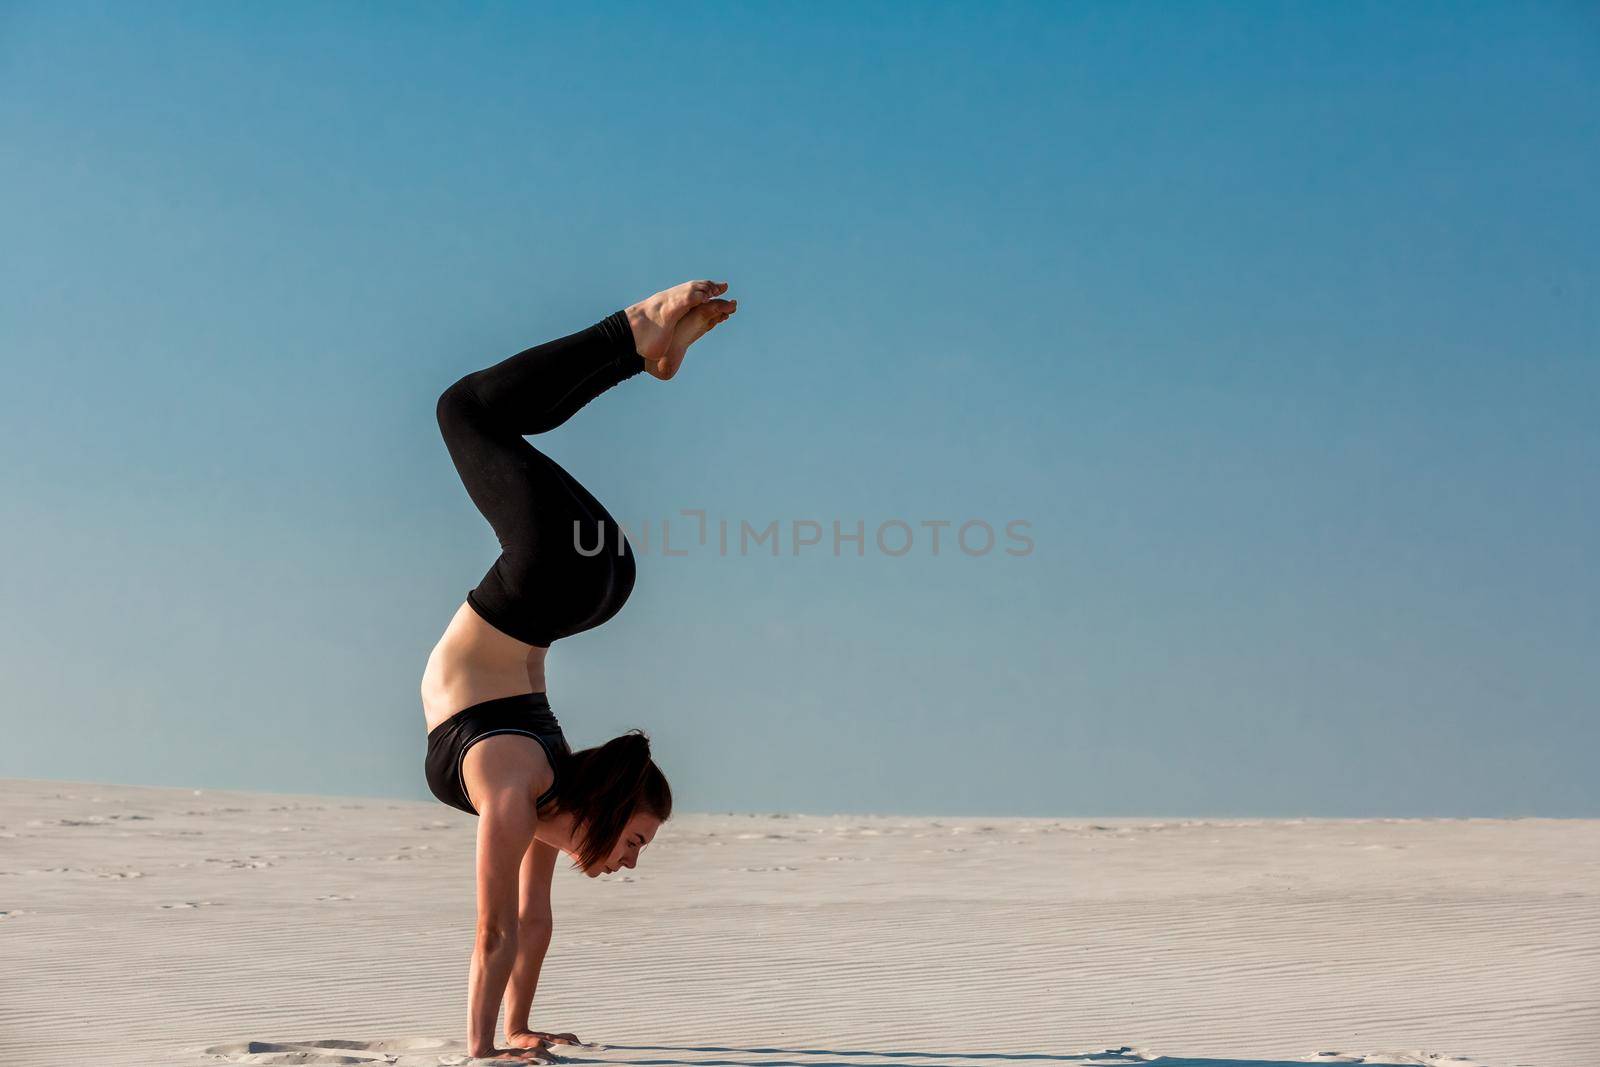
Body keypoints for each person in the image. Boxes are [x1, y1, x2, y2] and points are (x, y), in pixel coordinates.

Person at [420, 280, 737, 1059]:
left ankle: (640, 348)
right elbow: (495, 930)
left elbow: (527, 923)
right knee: (463, 411)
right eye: (634, 841)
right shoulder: (519, 786)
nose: (629, 861)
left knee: (482, 419)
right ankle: (632, 335)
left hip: (599, 578)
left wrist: (516, 1027)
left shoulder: (533, 797)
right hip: (560, 580)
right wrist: (479, 1051)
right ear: (601, 810)